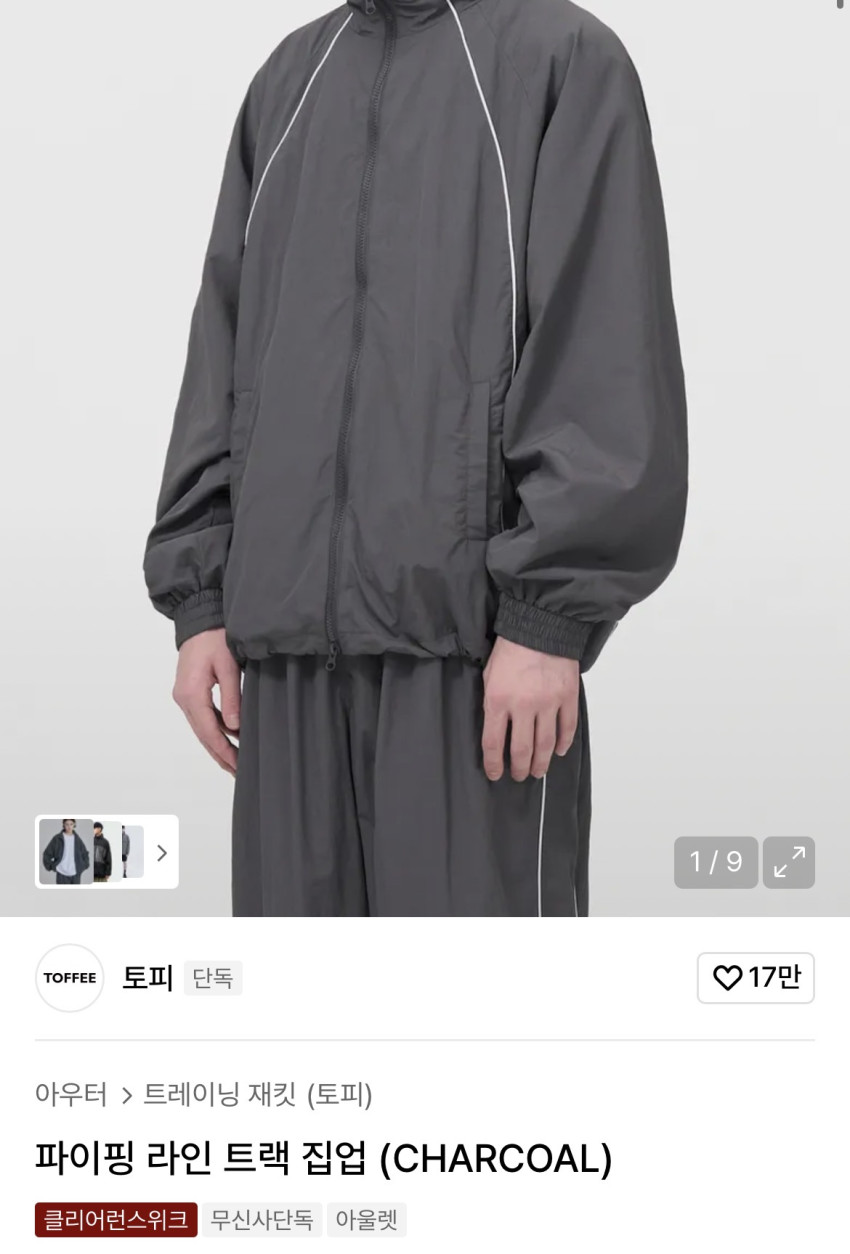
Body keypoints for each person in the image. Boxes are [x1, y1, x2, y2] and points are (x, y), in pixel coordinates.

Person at [144, 0, 688, 917]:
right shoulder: (288, 79)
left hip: (472, 660)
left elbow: (604, 343)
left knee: (474, 998)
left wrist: (547, 620)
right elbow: (225, 348)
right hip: (284, 659)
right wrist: (199, 603)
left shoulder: (562, 59)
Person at [42, 820, 90, 886]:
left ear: (74, 825)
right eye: (67, 824)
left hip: (75, 873)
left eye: (71, 824)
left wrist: (84, 865)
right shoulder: (57, 838)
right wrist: (51, 866)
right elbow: (47, 854)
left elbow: (85, 853)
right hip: (61, 872)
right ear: (63, 825)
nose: (69, 826)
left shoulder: (77, 839)